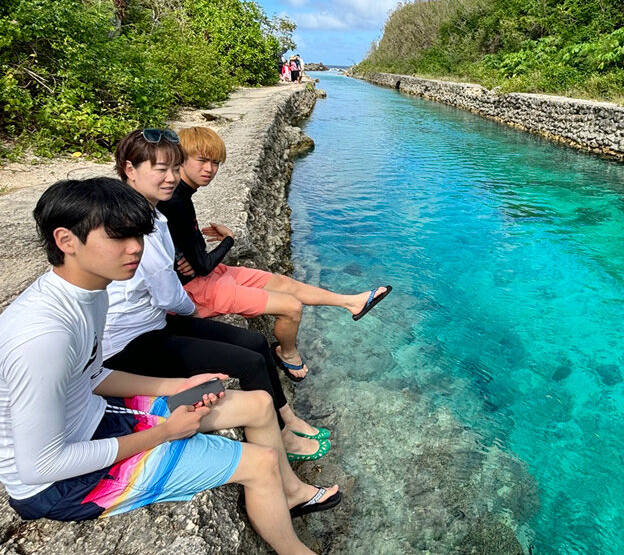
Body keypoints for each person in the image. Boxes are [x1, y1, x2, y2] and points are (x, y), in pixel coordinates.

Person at [0, 177, 340, 553]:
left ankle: (290, 492)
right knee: (260, 463)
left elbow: (92, 376)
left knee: (259, 403)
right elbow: (40, 467)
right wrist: (164, 433)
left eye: (139, 236)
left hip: (95, 419)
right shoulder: (44, 336)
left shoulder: (90, 292)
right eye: (118, 237)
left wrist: (171, 387)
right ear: (66, 241)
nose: (135, 249)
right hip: (62, 484)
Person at [102, 129, 330, 462]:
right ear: (129, 169)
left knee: (254, 344)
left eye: (173, 168)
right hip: (131, 342)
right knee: (250, 363)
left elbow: (171, 278)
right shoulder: (137, 223)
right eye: (159, 169)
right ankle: (282, 439)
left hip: (155, 323)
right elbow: (170, 295)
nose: (170, 178)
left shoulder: (154, 213)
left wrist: (180, 278)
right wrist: (188, 302)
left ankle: (288, 417)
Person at [159, 127, 391, 382]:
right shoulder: (175, 201)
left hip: (208, 277)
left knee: (283, 282)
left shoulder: (181, 195)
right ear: (180, 159)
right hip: (197, 292)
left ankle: (351, 302)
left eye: (215, 162)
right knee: (291, 307)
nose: (210, 169)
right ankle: (287, 353)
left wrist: (185, 256)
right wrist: (228, 240)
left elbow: (190, 255)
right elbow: (201, 266)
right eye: (202, 161)